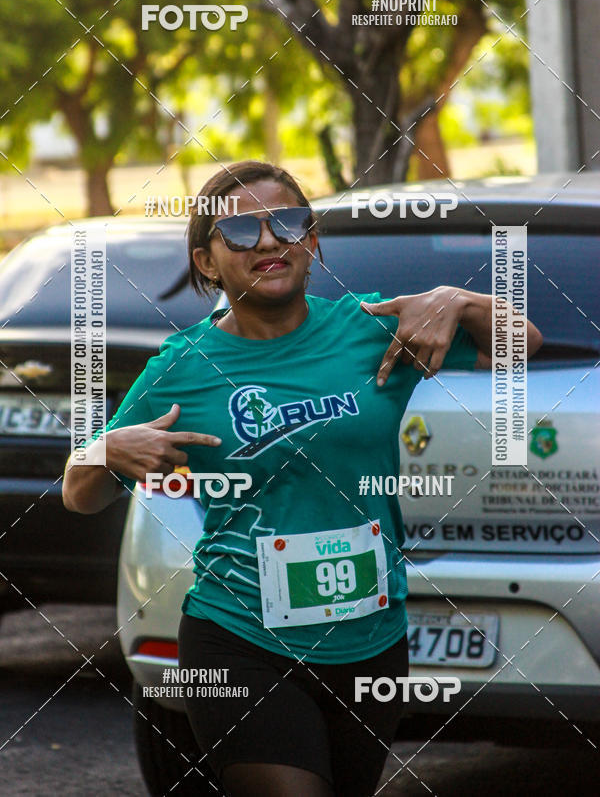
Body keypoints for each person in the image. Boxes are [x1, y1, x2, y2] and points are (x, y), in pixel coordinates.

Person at [63, 160, 543, 796]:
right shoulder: (182, 369)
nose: (267, 242)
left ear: (311, 242)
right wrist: (103, 451)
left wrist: (456, 299)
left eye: (286, 224)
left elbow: (523, 341)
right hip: (237, 638)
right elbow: (79, 495)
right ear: (207, 262)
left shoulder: (366, 330)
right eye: (238, 233)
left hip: (371, 638)